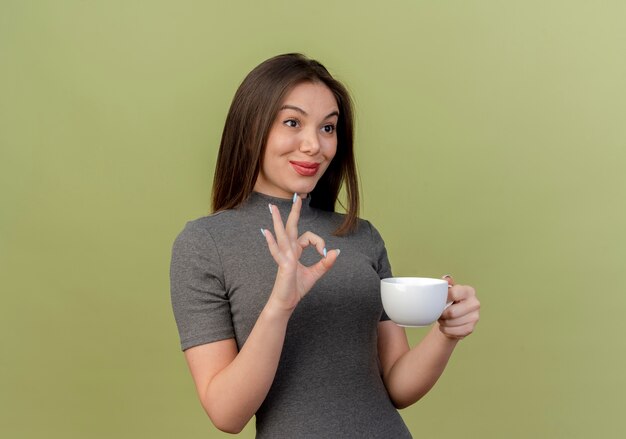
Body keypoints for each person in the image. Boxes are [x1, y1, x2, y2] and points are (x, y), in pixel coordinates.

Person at [170, 53, 480, 438]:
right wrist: (280, 306)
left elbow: (397, 385)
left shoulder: (361, 235)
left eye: (328, 128)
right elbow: (227, 414)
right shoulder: (205, 244)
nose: (314, 145)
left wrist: (445, 334)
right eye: (292, 122)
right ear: (251, 129)